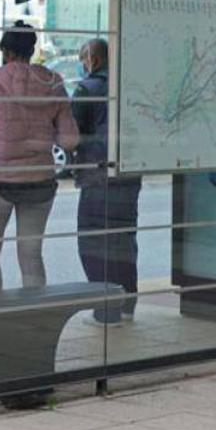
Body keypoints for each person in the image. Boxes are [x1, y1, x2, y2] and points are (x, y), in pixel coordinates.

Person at [0, 21, 79, 291]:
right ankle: (34, 316)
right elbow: (70, 140)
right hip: (40, 182)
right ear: (32, 49)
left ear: (4, 50)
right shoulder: (53, 82)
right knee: (31, 253)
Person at [72, 38, 142, 325]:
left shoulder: (86, 89)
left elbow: (71, 133)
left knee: (93, 241)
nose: (82, 65)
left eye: (82, 59)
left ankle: (106, 309)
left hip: (97, 176)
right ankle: (127, 303)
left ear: (94, 59)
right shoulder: (129, 85)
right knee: (124, 238)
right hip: (128, 174)